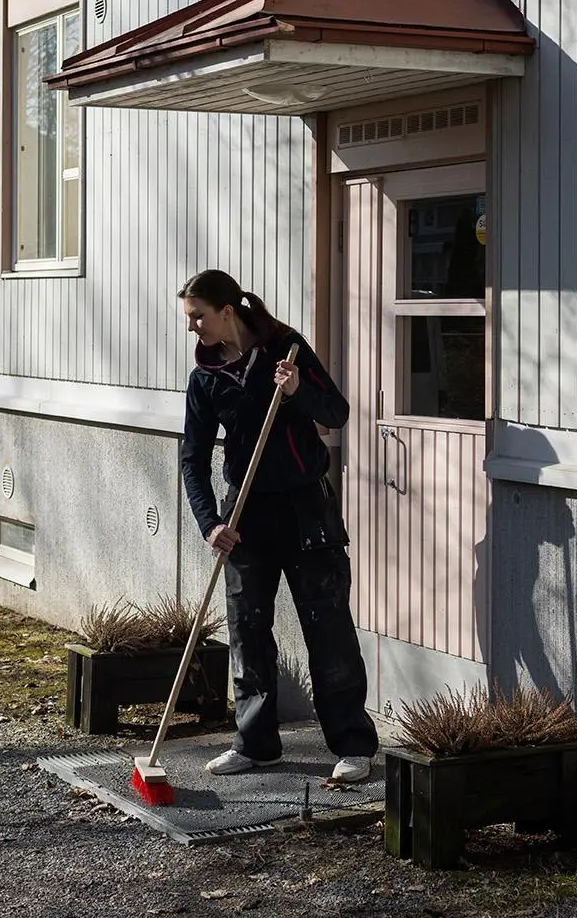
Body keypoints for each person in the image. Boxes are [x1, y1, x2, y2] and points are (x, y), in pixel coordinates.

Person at [176, 268, 379, 782]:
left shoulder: (285, 349)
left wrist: (295, 393)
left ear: (227, 312)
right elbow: (193, 460)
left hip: (307, 512)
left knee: (328, 628)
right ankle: (255, 743)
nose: (192, 327)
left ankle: (353, 746)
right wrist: (210, 524)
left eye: (198, 316)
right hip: (244, 519)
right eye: (188, 318)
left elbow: (336, 412)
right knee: (248, 632)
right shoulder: (205, 379)